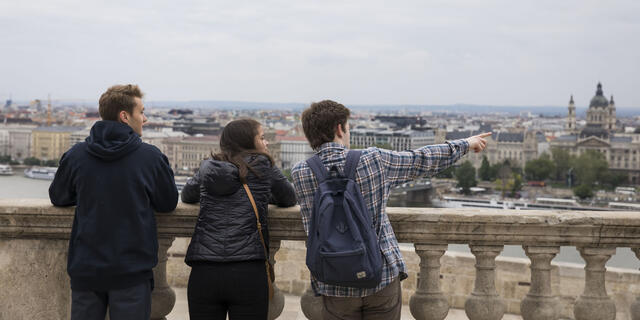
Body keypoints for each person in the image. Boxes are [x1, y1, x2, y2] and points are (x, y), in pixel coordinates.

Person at [291, 100, 491, 320]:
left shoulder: (301, 173)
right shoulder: (372, 159)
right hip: (380, 275)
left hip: (333, 280)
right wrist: (465, 144)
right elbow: (421, 160)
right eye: (348, 128)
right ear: (339, 128)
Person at [49, 84, 179, 320]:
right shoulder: (150, 158)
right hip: (131, 272)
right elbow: (168, 202)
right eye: (141, 112)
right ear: (124, 116)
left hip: (86, 270)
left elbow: (59, 197)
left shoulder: (76, 155)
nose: (145, 119)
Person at [181, 119, 297, 320]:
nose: (267, 143)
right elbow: (288, 198)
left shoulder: (208, 168)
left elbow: (187, 196)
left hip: (205, 270)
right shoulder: (264, 166)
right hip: (248, 270)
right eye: (262, 138)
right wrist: (262, 196)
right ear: (248, 142)